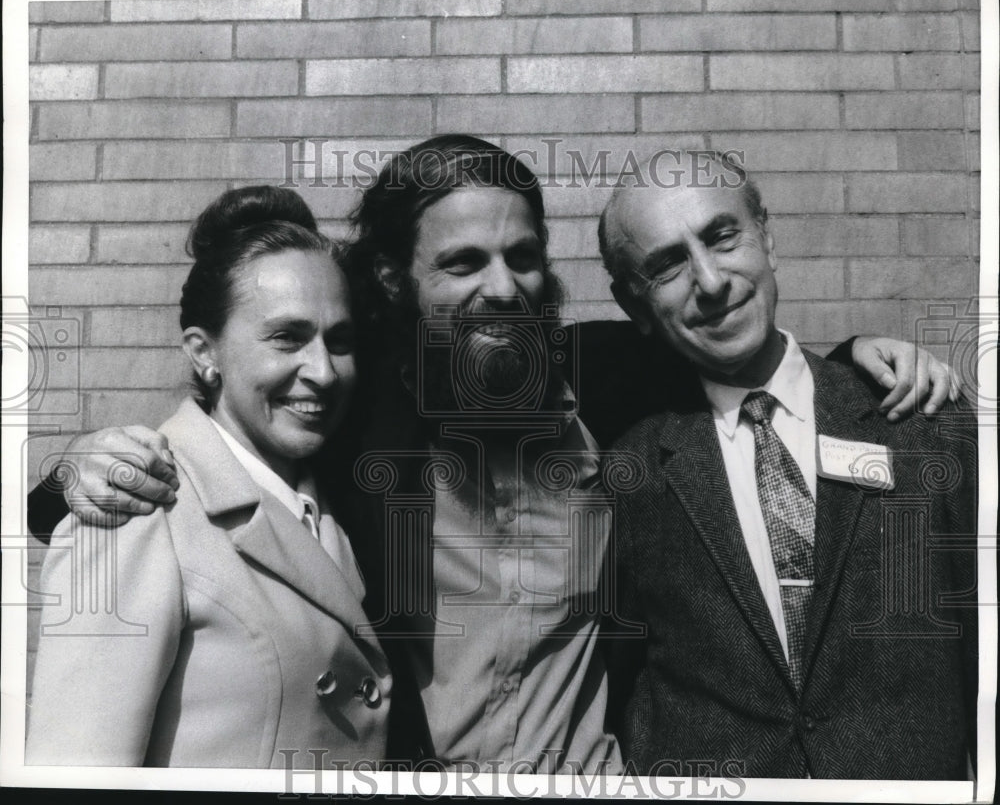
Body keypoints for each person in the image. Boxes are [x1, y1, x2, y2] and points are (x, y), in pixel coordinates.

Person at [27, 137, 961, 773]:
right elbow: (221, 460)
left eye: (522, 256)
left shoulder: (604, 376)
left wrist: (860, 360)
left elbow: (738, 351)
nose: (503, 287)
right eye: (464, 264)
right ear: (398, 281)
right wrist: (70, 473)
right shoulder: (351, 416)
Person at [598, 151, 977, 778]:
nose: (711, 280)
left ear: (767, 238)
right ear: (634, 305)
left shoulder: (923, 424)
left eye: (723, 237)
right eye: (668, 265)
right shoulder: (628, 472)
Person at [26, 186, 391, 767]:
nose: (323, 372)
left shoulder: (337, 500)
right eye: (286, 338)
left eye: (339, 342)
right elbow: (76, 772)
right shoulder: (138, 509)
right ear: (204, 352)